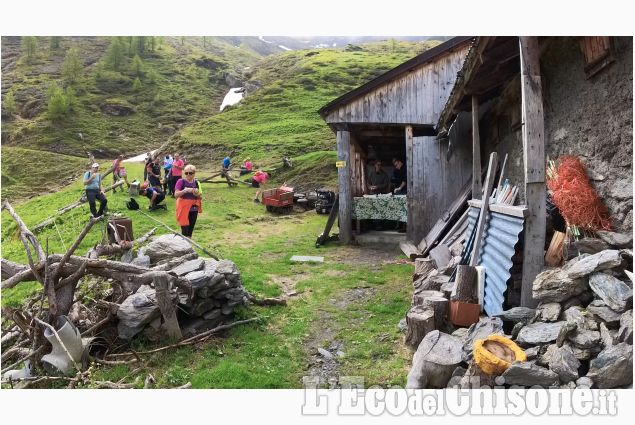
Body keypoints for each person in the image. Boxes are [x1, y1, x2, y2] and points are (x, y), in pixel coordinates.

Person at [174, 164, 203, 237]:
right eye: (186, 173)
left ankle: (188, 246)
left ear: (194, 174)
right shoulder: (181, 181)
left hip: (193, 209)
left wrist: (197, 195)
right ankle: (184, 246)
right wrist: (185, 190)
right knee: (184, 231)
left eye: (190, 173)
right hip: (183, 208)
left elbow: (200, 197)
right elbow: (176, 195)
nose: (188, 175)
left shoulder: (197, 183)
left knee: (190, 232)